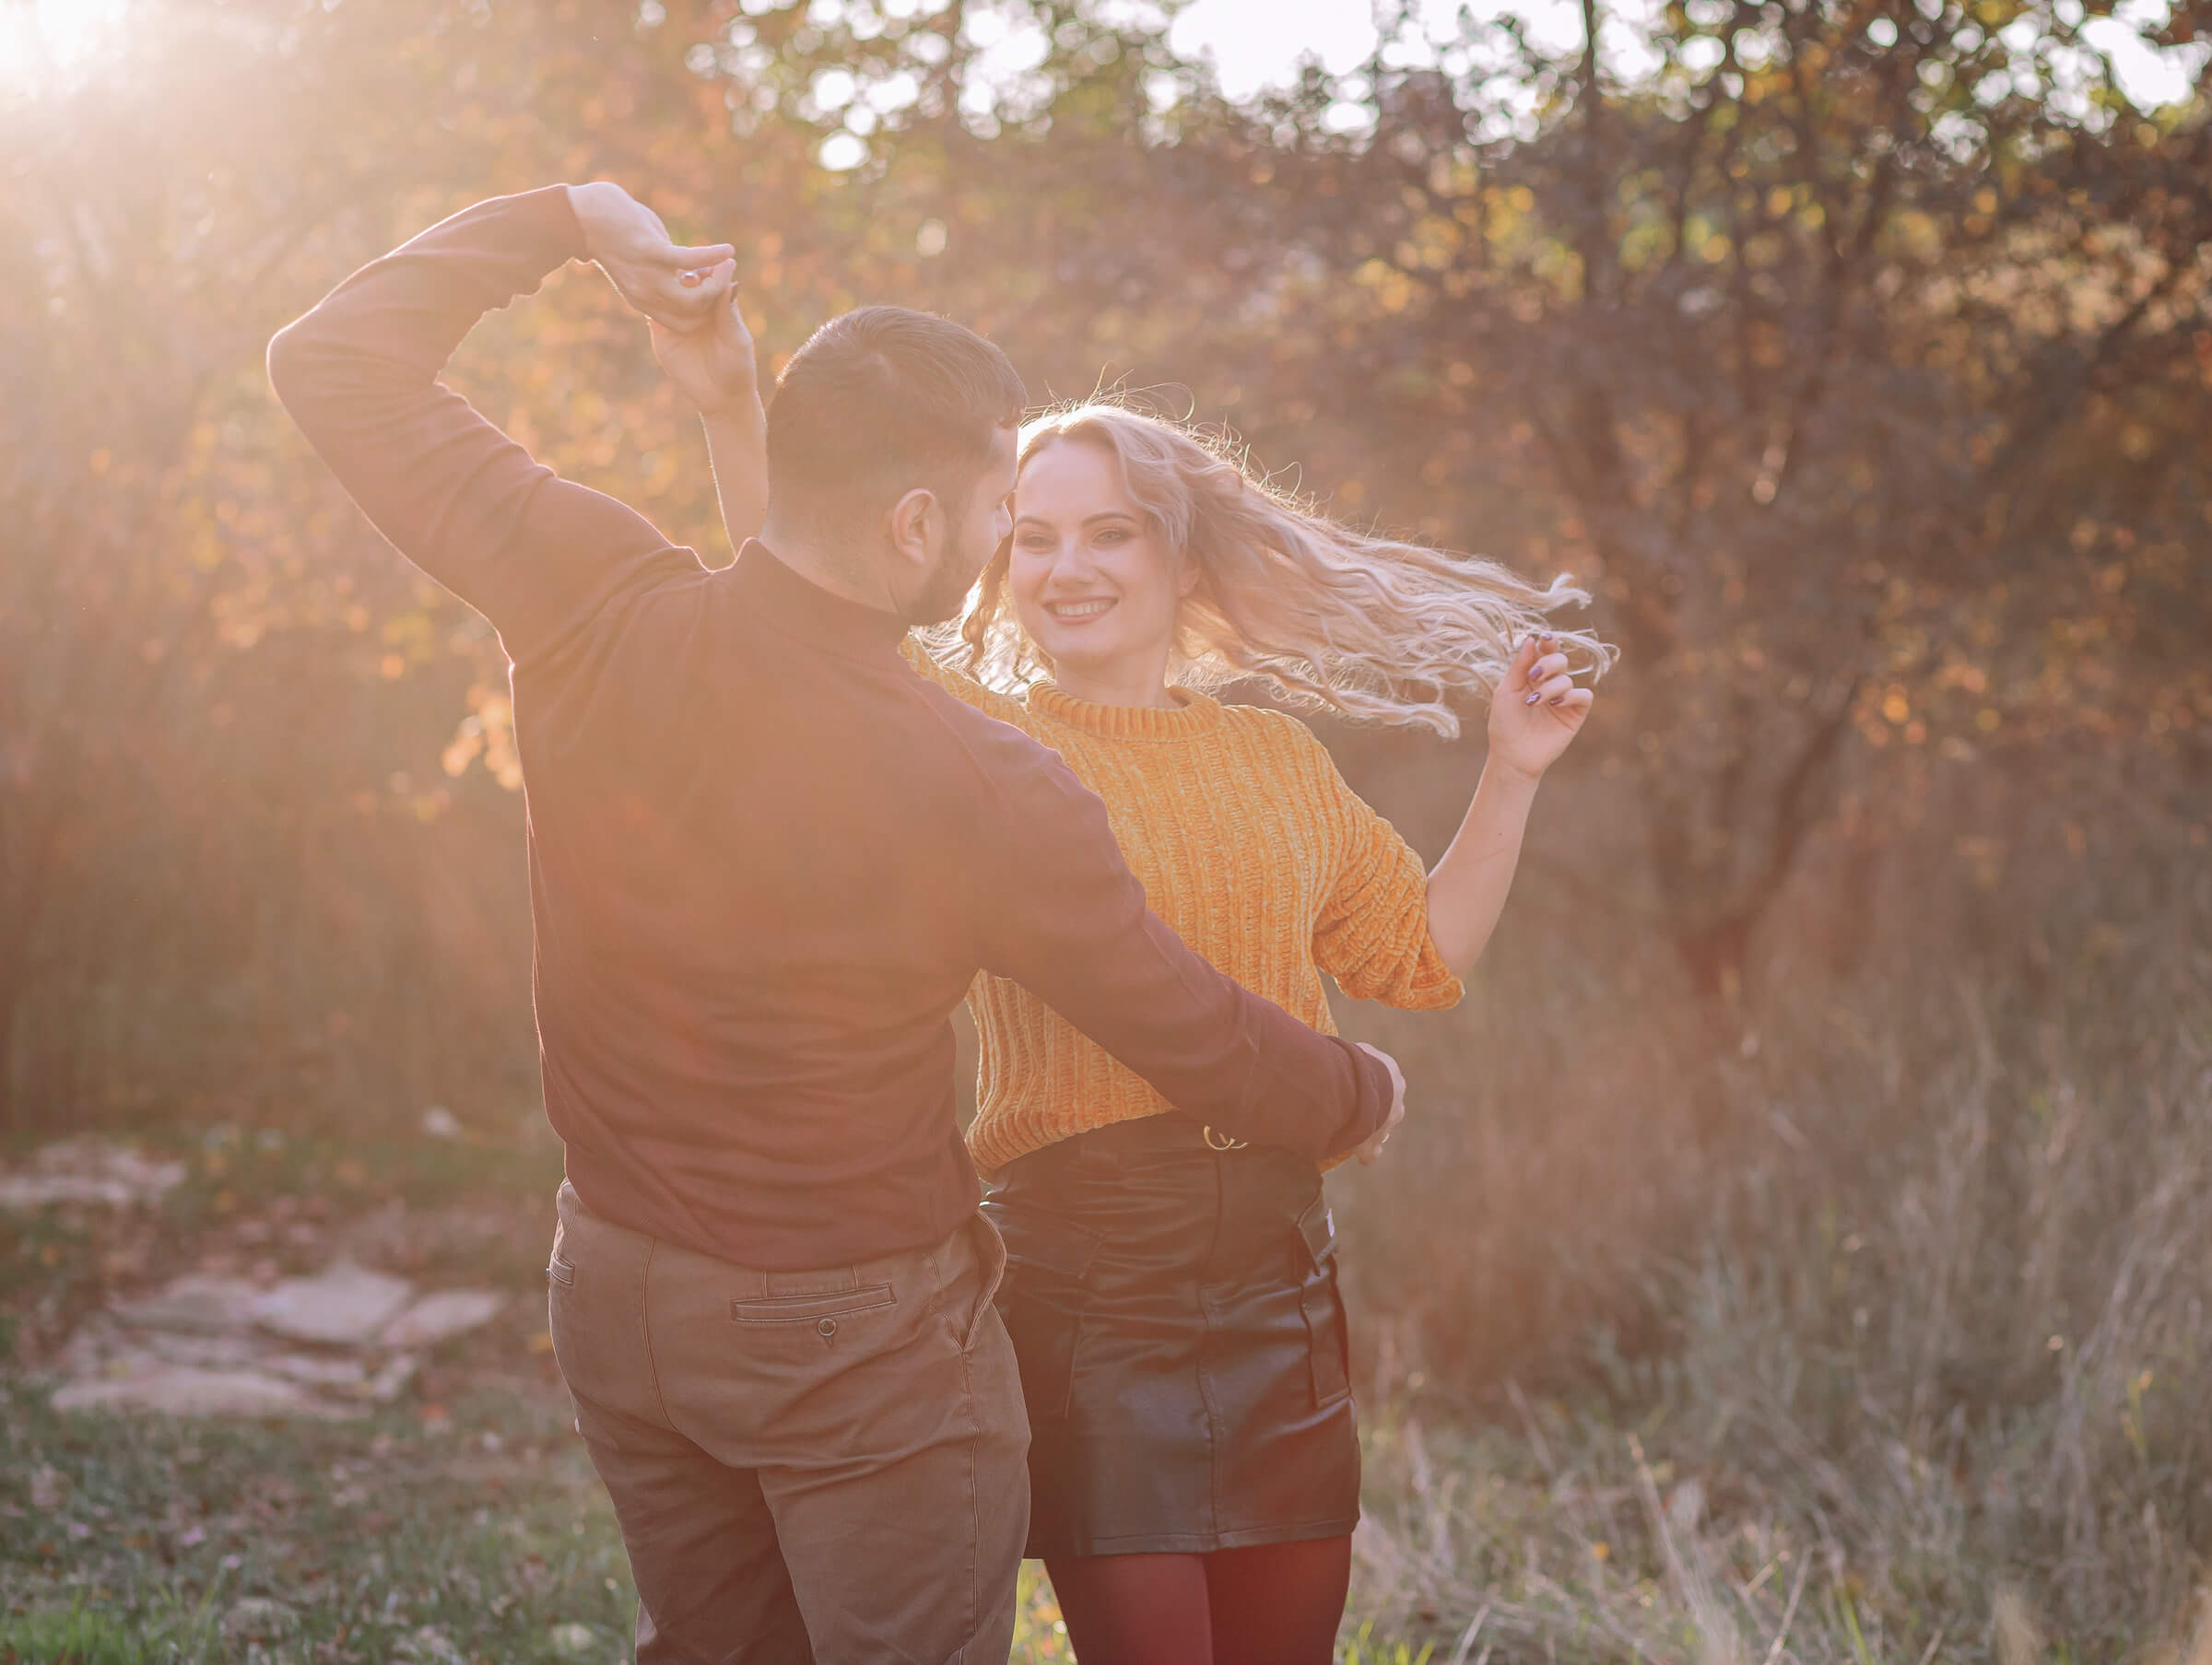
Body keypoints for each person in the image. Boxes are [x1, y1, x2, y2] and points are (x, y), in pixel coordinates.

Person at [267, 181, 1407, 1665]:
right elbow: (1181, 1025)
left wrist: (560, 217)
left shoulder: (592, 596)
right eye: (1002, 507)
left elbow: (331, 362)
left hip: (613, 1293)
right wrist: (1352, 1092)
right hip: (854, 1345)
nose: (1009, 543)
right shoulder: (988, 782)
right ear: (919, 519)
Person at [677, 340, 1607, 1659]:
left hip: (1283, 1285)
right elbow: (800, 582)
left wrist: (1513, 772)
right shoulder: (969, 733)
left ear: (1181, 558)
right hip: (1091, 1292)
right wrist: (728, 403)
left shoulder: (1272, 756)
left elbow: (1421, 955)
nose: (1069, 568)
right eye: (1035, 536)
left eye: (1110, 534)